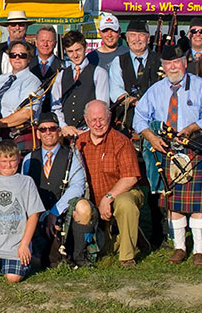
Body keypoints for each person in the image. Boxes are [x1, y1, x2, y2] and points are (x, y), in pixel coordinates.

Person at [133, 46, 202, 266]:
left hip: (195, 148)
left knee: (199, 204)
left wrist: (194, 126)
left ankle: (199, 250)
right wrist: (151, 138)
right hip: (167, 150)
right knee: (173, 202)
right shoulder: (155, 90)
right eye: (168, 63)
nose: (172, 67)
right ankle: (180, 248)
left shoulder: (199, 86)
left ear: (184, 62)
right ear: (163, 66)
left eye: (176, 62)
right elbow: (139, 118)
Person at [22, 113, 96, 268]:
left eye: (52, 128)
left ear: (59, 131)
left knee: (83, 207)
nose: (48, 132)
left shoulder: (72, 155)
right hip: (37, 214)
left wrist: (55, 212)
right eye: (43, 129)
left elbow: (77, 187)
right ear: (38, 133)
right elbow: (24, 191)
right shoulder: (29, 159)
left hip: (63, 211)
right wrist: (41, 215)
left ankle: (79, 256)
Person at [77, 100, 144, 268]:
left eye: (102, 119)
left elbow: (131, 178)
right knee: (104, 249)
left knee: (126, 203)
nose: (98, 124)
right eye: (93, 120)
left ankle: (127, 256)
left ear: (110, 117)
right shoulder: (79, 143)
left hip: (121, 194)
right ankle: (118, 241)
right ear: (86, 120)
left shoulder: (121, 142)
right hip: (93, 202)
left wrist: (108, 198)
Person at [0, 140, 45, 282]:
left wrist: (24, 244)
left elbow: (34, 215)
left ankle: (24, 258)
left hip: (15, 245)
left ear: (19, 159)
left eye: (12, 160)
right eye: (4, 161)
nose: (8, 165)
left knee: (13, 278)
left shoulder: (26, 182)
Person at [0, 41, 42, 153]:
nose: (17, 58)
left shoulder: (33, 82)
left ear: (29, 58)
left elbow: (26, 114)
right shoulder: (2, 78)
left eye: (22, 55)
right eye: (13, 55)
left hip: (20, 131)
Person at [51, 31, 109, 138]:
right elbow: (55, 106)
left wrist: (88, 130)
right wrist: (64, 126)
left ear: (85, 47)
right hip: (66, 134)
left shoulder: (99, 73)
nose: (75, 55)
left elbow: (103, 106)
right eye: (70, 51)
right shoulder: (62, 74)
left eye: (78, 50)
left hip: (91, 133)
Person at [108, 20, 161, 134]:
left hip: (155, 123)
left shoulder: (160, 61)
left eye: (141, 35)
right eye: (132, 35)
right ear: (127, 39)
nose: (136, 39)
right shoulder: (118, 61)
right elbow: (115, 92)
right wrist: (138, 102)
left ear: (148, 39)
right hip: (127, 125)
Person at [29, 26, 63, 113]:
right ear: (36, 42)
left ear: (55, 43)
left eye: (49, 41)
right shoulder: (28, 65)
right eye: (42, 40)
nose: (45, 44)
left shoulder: (63, 66)